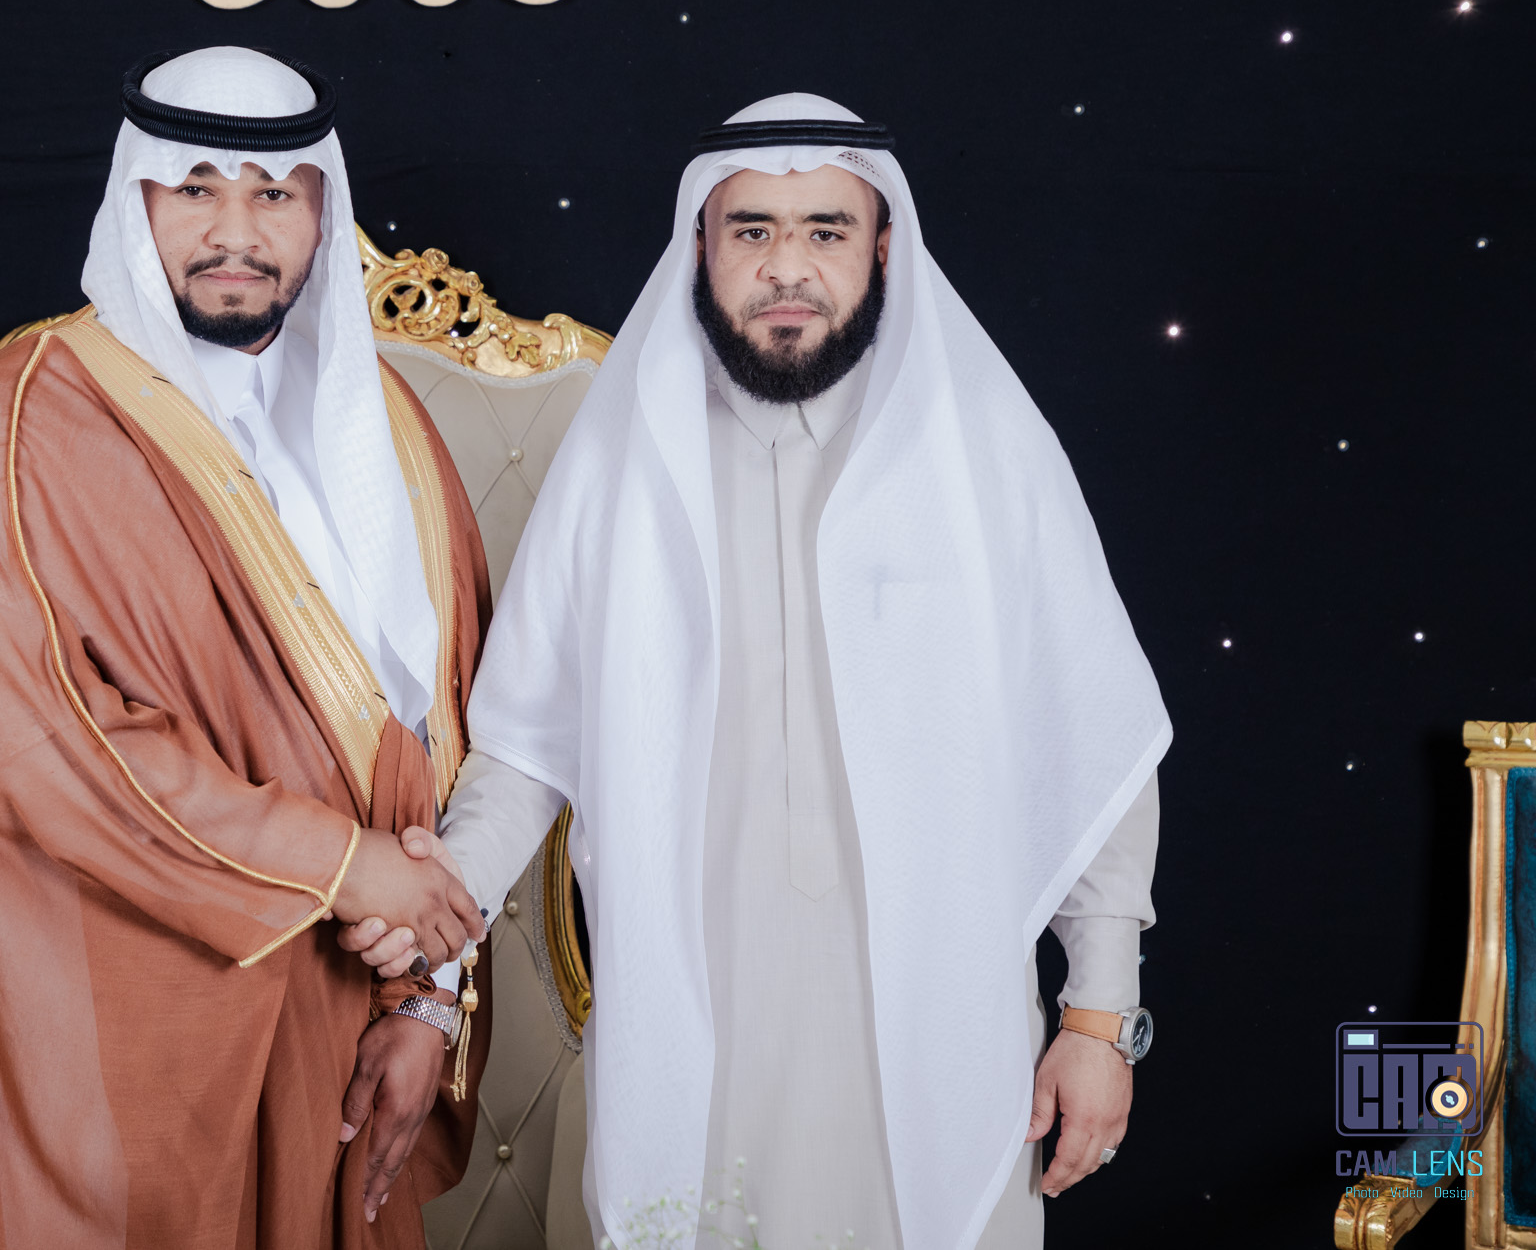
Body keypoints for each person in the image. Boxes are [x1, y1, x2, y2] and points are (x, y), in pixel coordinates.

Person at [346, 96, 1169, 1250]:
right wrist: (430, 951)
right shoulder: (621, 467)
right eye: (752, 231)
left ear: (883, 248)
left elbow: (1093, 744)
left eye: (826, 230)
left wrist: (1096, 1017)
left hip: (939, 1047)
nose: (787, 267)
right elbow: (524, 754)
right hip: (692, 1037)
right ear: (700, 246)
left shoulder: (986, 457)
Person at [0, 46, 493, 1250]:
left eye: (273, 192)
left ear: (322, 211)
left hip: (348, 1034)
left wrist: (424, 1000)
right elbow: (37, 750)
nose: (234, 231)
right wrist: (343, 868)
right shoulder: (9, 424)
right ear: (133, 198)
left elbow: (446, 727)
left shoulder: (387, 430)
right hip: (115, 1049)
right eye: (194, 188)